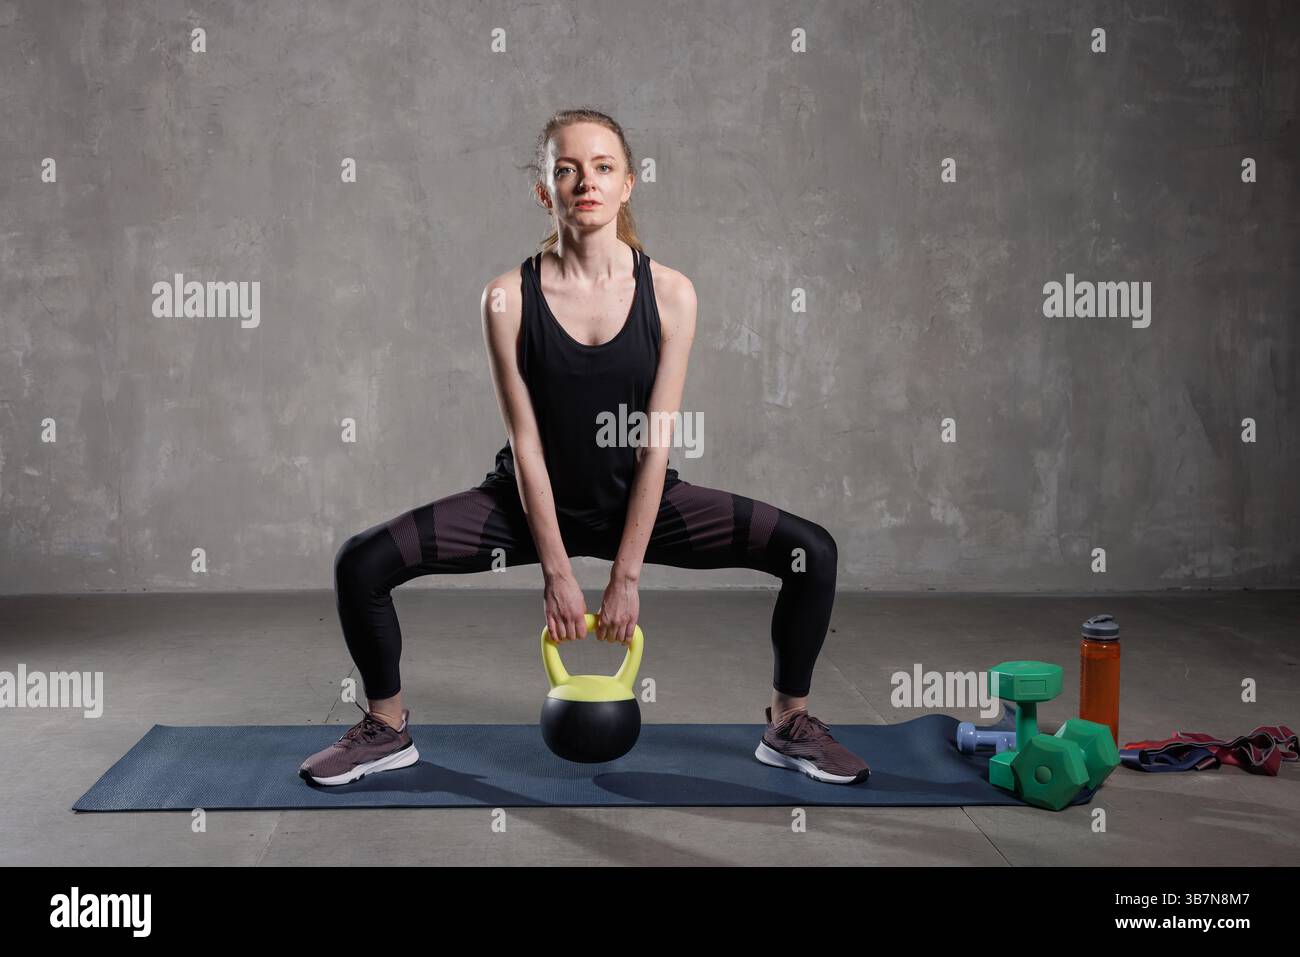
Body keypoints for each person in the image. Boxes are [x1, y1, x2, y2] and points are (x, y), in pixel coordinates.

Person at [300, 108, 870, 787]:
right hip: (524, 506)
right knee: (361, 563)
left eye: (602, 167)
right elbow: (527, 443)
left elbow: (657, 442)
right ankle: (387, 729)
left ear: (628, 182)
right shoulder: (507, 298)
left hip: (642, 505)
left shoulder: (672, 294)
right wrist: (557, 569)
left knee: (813, 553)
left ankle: (788, 723)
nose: (585, 182)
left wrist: (625, 576)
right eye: (566, 170)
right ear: (545, 191)